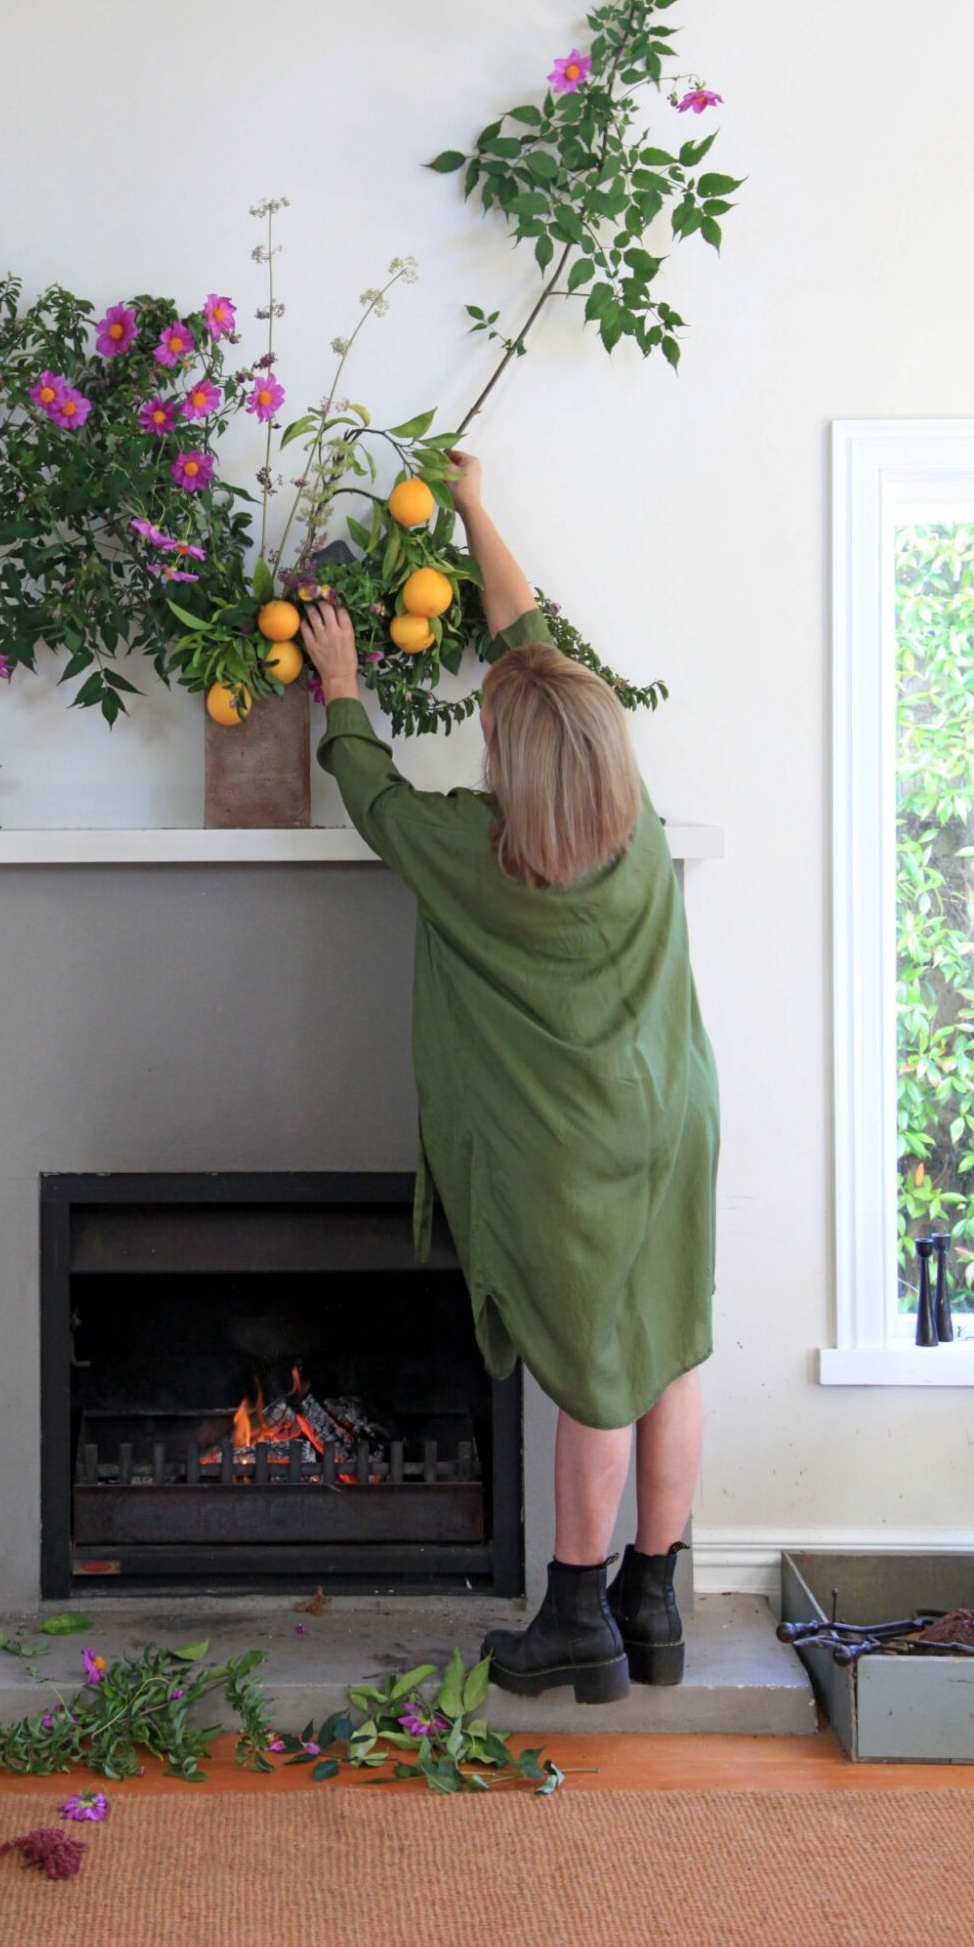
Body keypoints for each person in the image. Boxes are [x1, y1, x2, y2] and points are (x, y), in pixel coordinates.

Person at [299, 452, 718, 1702]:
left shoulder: (476, 855)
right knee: (672, 1350)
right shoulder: (636, 826)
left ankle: (578, 1618)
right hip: (678, 1119)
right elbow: (530, 637)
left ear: (513, 765)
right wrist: (476, 504)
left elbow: (370, 794)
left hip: (576, 1144)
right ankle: (658, 1607)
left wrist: (343, 689)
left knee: (595, 1367)